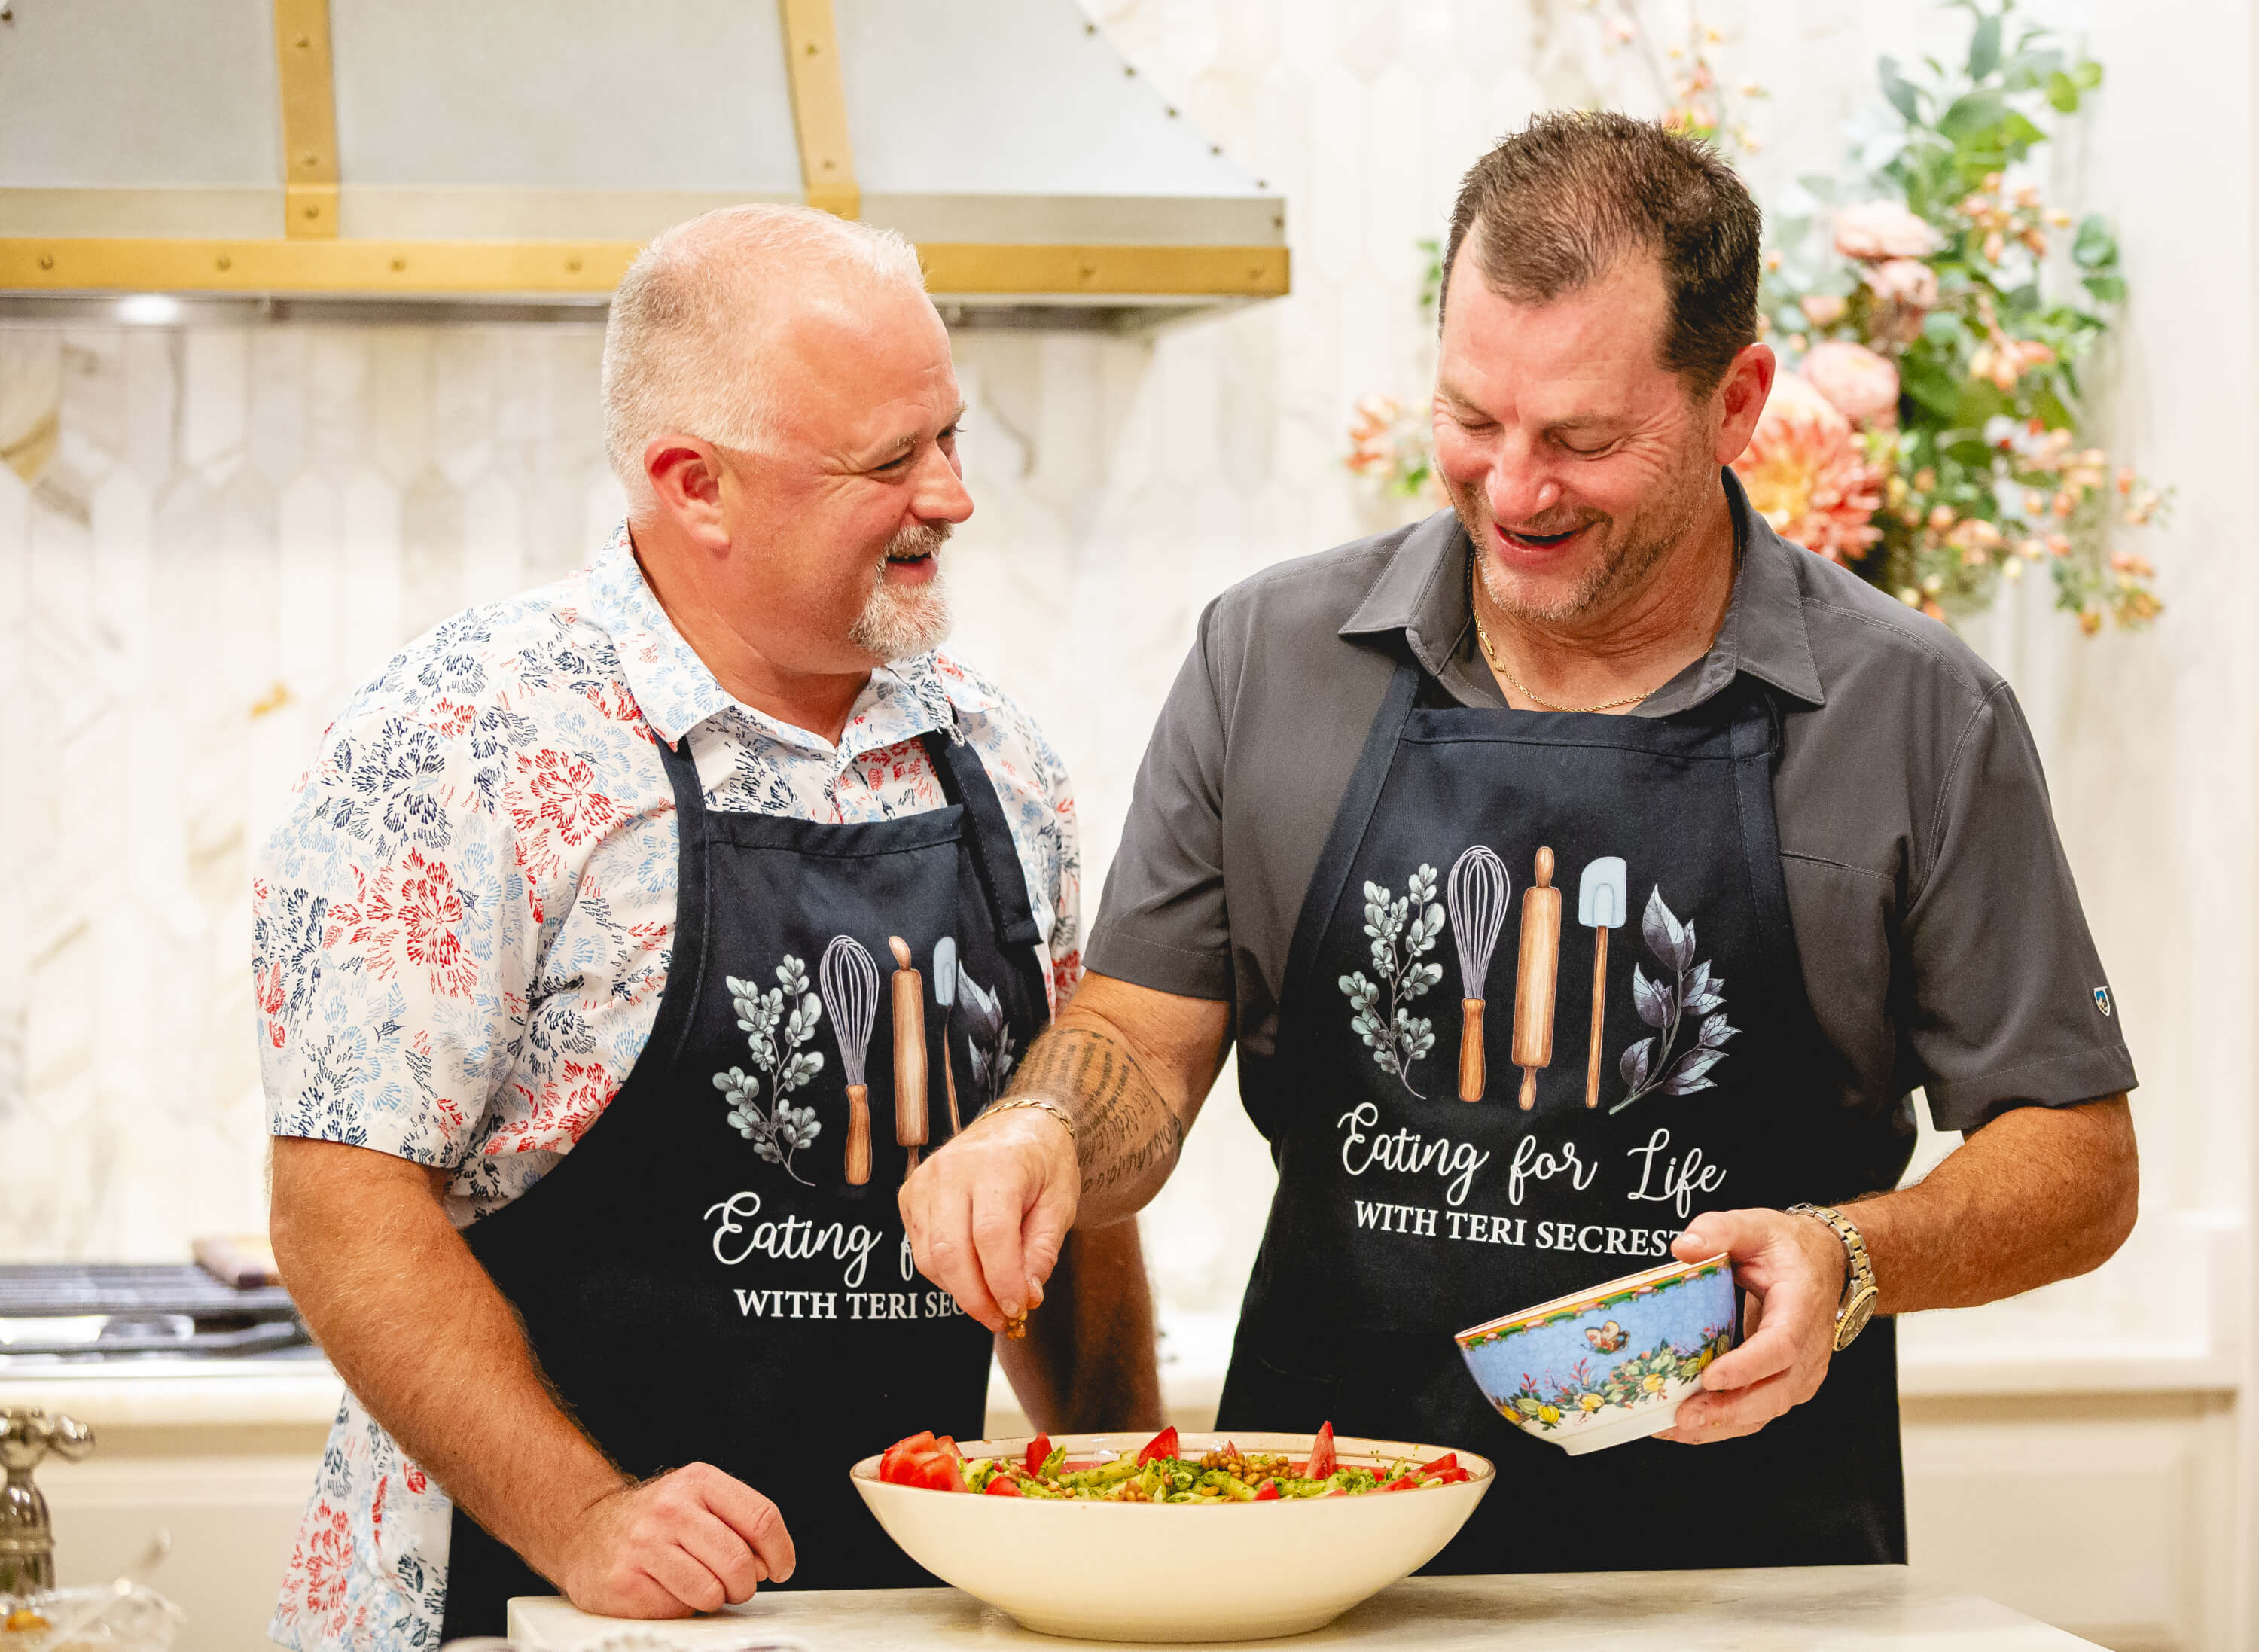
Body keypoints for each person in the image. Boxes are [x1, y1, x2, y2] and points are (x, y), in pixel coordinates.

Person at [901, 113, 2138, 1568]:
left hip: (1744, 1579)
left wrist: (1853, 1255)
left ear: (1738, 403)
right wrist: (1043, 1128)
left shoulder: (1916, 713)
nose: (1513, 488)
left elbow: (2080, 1158)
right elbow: (1140, 1033)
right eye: (1473, 420)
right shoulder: (1272, 657)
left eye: (1584, 439)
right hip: (1322, 1559)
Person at [257, 204, 1159, 1651]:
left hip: (888, 1617)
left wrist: (1133, 1498)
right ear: (698, 486)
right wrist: (585, 1518)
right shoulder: (468, 738)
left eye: (951, 436)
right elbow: (340, 1206)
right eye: (891, 459)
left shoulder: (996, 757)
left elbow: (1056, 1166)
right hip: (525, 1608)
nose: (951, 496)